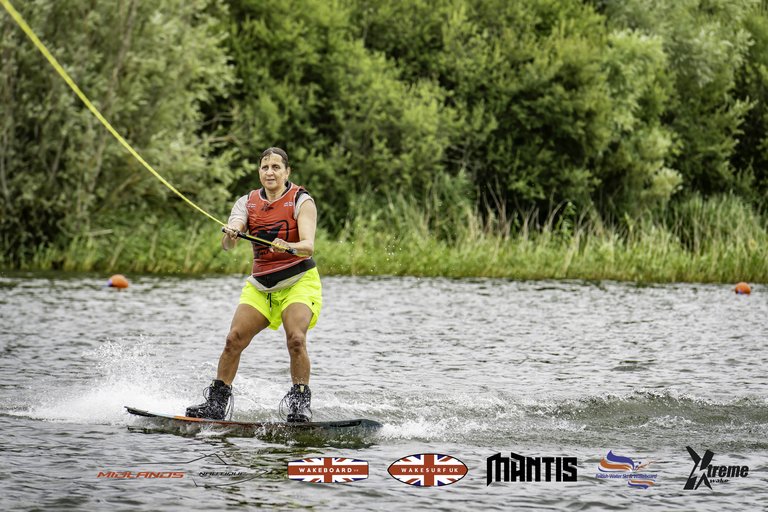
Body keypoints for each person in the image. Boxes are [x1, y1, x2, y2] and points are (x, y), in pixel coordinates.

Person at [186, 147, 322, 422]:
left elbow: (308, 247)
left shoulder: (301, 200)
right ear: (259, 171)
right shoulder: (247, 202)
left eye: (275, 167)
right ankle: (216, 403)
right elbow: (227, 245)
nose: (269, 172)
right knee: (233, 339)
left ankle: (299, 403)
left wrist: (289, 246)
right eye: (264, 167)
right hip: (260, 287)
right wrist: (232, 233)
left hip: (298, 282)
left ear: (287, 172)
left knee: (296, 338)